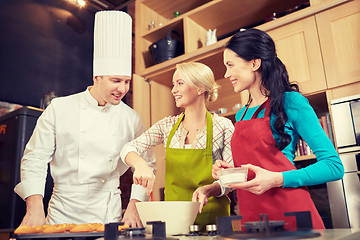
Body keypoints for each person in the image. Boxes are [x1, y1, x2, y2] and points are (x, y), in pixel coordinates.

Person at [14, 11, 155, 227]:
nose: (122, 89)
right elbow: (35, 158)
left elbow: (147, 165)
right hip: (62, 210)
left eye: (127, 82)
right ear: (96, 77)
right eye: (116, 80)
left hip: (108, 212)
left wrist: (134, 206)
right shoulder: (60, 108)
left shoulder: (131, 118)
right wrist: (34, 208)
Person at [212, 28, 344, 230]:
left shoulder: (291, 102)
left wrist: (277, 179)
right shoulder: (241, 115)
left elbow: (334, 166)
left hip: (292, 218)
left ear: (254, 63)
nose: (226, 74)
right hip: (254, 221)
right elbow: (255, 169)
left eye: (230, 65)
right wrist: (231, 173)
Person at [120, 62, 234, 230]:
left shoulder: (223, 126)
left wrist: (208, 190)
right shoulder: (167, 126)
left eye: (180, 83)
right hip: (175, 220)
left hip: (214, 221)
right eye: (174, 84)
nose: (173, 90)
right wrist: (140, 165)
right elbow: (128, 148)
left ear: (200, 88)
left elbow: (231, 179)